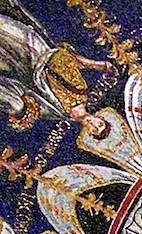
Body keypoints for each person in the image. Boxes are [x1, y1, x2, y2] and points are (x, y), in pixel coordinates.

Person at [0, 0, 113, 135]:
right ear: (99, 117)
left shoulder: (56, 114)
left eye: (94, 130)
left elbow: (27, 100)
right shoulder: (80, 92)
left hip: (17, 71)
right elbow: (64, 59)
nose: (93, 124)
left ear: (88, 132)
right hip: (34, 51)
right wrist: (93, 64)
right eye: (99, 123)